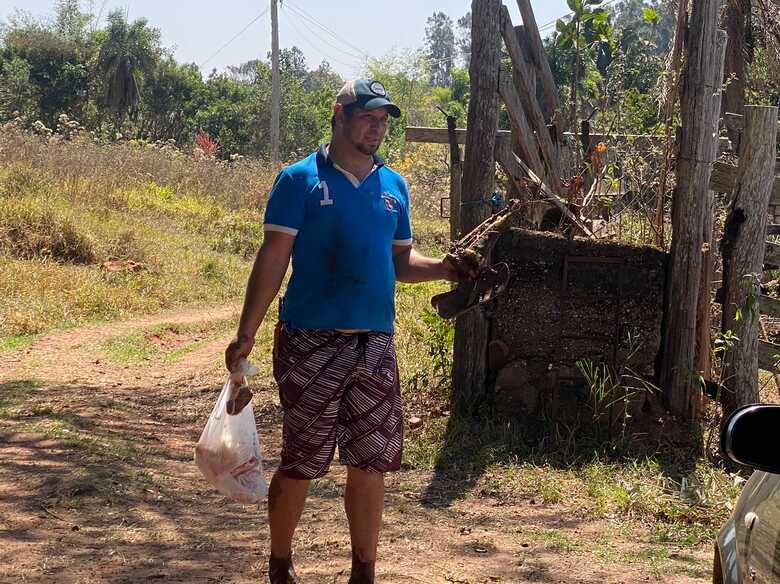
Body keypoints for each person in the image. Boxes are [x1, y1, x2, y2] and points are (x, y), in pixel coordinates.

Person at [224, 79, 463, 584]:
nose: (377, 128)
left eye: (383, 121)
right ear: (339, 114)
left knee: (371, 462)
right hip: (311, 342)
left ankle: (364, 571)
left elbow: (400, 262)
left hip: (375, 345)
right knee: (302, 460)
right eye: (368, 118)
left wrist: (445, 268)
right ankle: (281, 564)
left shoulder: (394, 186)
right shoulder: (299, 180)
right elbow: (272, 259)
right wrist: (247, 331)